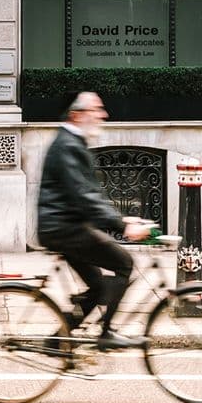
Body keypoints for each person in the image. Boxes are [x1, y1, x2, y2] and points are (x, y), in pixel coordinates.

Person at [37, 91, 150, 349]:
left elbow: (88, 195)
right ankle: (107, 333)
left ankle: (57, 341)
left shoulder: (72, 142)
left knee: (99, 287)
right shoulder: (68, 145)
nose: (103, 115)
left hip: (65, 226)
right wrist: (122, 226)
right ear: (77, 115)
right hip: (64, 228)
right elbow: (84, 196)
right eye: (96, 109)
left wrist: (120, 218)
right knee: (124, 262)